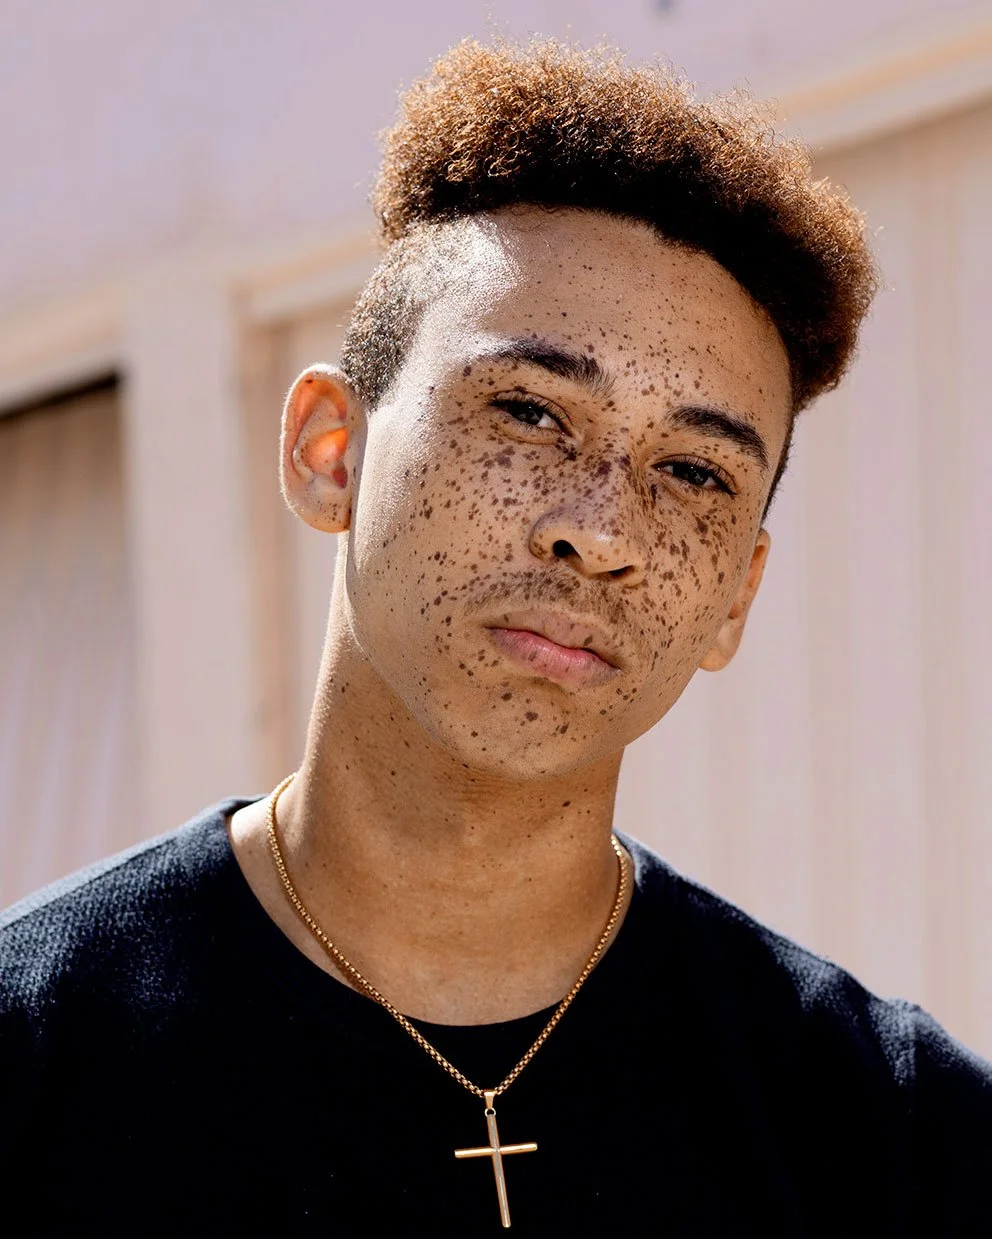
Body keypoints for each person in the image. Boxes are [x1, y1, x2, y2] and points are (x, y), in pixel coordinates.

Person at [1, 37, 990, 1237]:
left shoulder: (896, 1141)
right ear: (331, 452)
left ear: (735, 596)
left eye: (690, 472)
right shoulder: (34, 1053)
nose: (601, 530)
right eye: (526, 412)